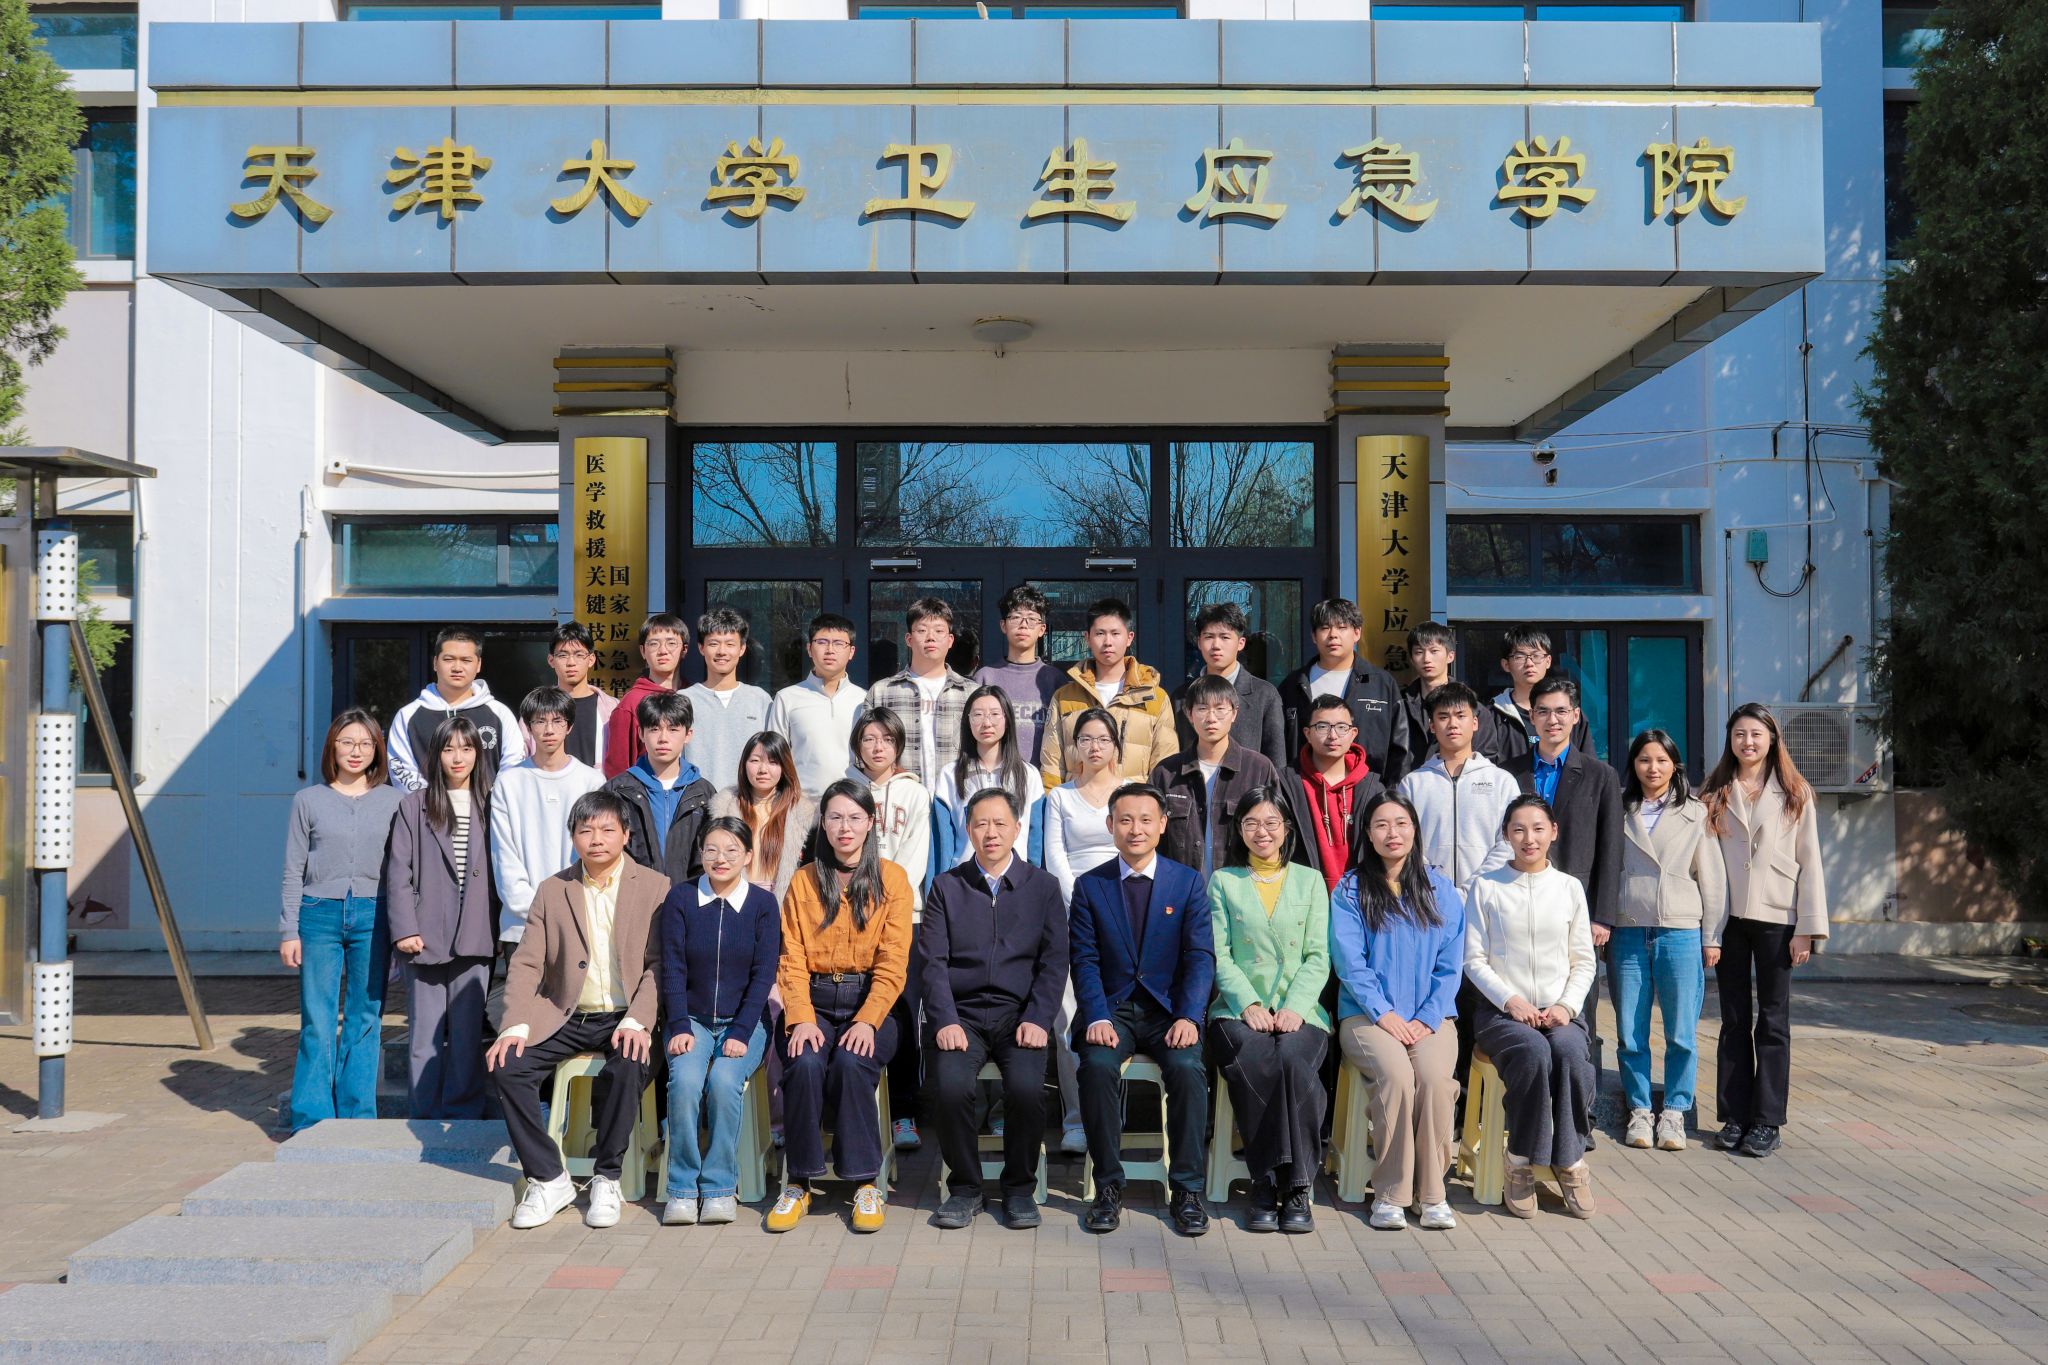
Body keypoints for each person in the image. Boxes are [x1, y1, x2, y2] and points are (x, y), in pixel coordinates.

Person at [487, 790, 667, 1231]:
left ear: (626, 834)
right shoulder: (554, 890)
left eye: (607, 829)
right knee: (508, 1065)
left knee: (629, 1064)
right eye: (586, 830)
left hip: (627, 1015)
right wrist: (515, 1024)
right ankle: (549, 1178)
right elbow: (527, 963)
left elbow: (660, 965)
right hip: (566, 1015)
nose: (596, 839)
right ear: (573, 837)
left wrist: (638, 1020)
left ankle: (607, 1177)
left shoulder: (655, 887)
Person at [767, 780, 916, 1234]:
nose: (844, 827)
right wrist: (800, 1017)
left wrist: (868, 1021)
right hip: (812, 999)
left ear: (870, 822)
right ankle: (800, 1181)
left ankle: (865, 1182)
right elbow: (790, 957)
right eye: (835, 817)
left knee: (853, 1062)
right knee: (805, 1061)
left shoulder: (892, 879)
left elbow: (893, 962)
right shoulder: (804, 880)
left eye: (854, 817)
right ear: (824, 824)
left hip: (871, 1000)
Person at [1069, 783, 1215, 1237]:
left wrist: (1189, 1016)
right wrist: (1095, 1015)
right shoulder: (1090, 886)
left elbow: (1200, 957)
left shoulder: (1186, 882)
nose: (1136, 829)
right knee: (1096, 1067)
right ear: (1110, 825)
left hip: (1168, 1011)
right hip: (1111, 1009)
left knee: (1188, 1070)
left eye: (1146, 820)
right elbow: (1084, 959)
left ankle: (1187, 1190)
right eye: (1126, 820)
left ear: (1162, 825)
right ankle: (1108, 1186)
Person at [921, 788, 1068, 1231]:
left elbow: (1054, 961)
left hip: (1018, 1015)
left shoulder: (1043, 887)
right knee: (950, 1088)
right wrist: (945, 1020)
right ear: (968, 830)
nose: (991, 833)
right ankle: (966, 1188)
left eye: (1000, 823)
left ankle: (1019, 1188)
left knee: (1026, 1089)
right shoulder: (947, 887)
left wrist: (1038, 1018)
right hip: (962, 1015)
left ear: (1017, 829)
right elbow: (933, 963)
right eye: (981, 824)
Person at [1329, 792, 1465, 1232]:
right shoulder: (1351, 889)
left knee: (1435, 1081)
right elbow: (1350, 962)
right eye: (1382, 825)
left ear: (1415, 830)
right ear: (1368, 834)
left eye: (1402, 823)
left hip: (1431, 1018)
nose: (1393, 833)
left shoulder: (1440, 889)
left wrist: (1427, 1017)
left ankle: (1432, 1193)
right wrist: (1383, 1013)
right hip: (1367, 1018)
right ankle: (1390, 1194)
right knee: (1397, 1077)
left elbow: (1451, 964)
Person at [1699, 703, 1828, 1160]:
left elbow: (1810, 861)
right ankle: (1735, 1116)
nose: (1747, 742)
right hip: (1730, 919)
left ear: (1772, 738)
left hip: (1778, 919)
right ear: (1730, 740)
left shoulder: (1794, 792)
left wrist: (1807, 929)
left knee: (1773, 1021)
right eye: (1739, 734)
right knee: (1733, 1019)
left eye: (1756, 733)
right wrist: (1708, 930)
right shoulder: (1714, 792)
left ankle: (1767, 1120)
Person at [1464, 795, 1599, 1219]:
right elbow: (1473, 959)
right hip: (1502, 1012)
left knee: (1570, 1052)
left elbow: (1584, 960)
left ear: (1553, 832)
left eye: (1538, 828)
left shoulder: (1569, 888)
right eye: (1518, 829)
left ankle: (1570, 1159)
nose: (1529, 838)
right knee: (1534, 1051)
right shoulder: (1487, 887)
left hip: (1559, 1011)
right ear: (1506, 834)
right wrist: (1511, 1000)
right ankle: (1520, 1160)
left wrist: (1567, 1006)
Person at [1206, 787, 1330, 1234]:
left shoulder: (1309, 880)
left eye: (1271, 822)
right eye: (1252, 823)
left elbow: (1318, 955)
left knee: (1293, 1060)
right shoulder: (1224, 881)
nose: (1262, 831)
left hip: (1301, 1010)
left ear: (1287, 829)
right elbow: (1219, 954)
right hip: (1237, 1009)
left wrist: (1296, 1006)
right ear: (1239, 830)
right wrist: (1249, 1003)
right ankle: (1267, 1179)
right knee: (1258, 1057)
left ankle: (1293, 1183)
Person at [279, 708, 405, 1132]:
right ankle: (312, 1119)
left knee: (365, 1017)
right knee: (317, 1019)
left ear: (377, 750)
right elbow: (293, 869)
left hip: (374, 914)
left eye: (365, 743)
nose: (356, 751)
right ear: (332, 747)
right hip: (318, 915)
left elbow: (403, 869)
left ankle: (357, 1117)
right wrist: (289, 929)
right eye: (347, 742)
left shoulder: (394, 801)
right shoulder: (308, 800)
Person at [657, 816, 780, 1226]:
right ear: (701, 854)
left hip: (744, 1022)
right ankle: (681, 1188)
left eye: (731, 850)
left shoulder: (762, 905)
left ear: (748, 856)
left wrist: (742, 1031)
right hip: (690, 1019)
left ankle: (719, 1187)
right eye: (711, 849)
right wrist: (677, 1025)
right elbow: (672, 968)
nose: (720, 858)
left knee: (725, 1082)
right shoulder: (681, 899)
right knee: (685, 1082)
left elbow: (764, 974)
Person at [1398, 682, 1517, 1093]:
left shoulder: (1501, 781)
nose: (1452, 724)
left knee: (1478, 1003)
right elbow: (1406, 842)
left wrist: (1468, 889)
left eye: (1461, 716)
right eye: (1443, 717)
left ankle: (1476, 1106)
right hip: (1429, 910)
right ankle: (1442, 1099)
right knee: (1437, 1002)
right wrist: (1438, 891)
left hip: (1485, 910)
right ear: (1431, 726)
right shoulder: (1414, 784)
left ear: (1475, 723)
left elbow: (1508, 840)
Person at [1613, 729, 1724, 1154]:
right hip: (1628, 928)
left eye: (1661, 760)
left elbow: (1711, 877)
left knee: (1681, 1031)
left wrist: (1711, 936)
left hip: (1680, 929)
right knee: (1630, 1031)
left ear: (1675, 765)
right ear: (1633, 764)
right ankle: (1640, 1109)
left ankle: (1675, 1111)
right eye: (1644, 759)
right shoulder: (1618, 808)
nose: (1652, 768)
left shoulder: (1695, 812)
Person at [385, 714, 495, 1120]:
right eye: (449, 749)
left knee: (467, 1034)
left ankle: (463, 1112)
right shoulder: (414, 806)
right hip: (425, 934)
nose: (458, 757)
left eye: (466, 748)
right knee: (424, 1035)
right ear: (436, 755)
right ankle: (424, 1113)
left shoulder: (492, 803)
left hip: (476, 932)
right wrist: (405, 929)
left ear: (478, 753)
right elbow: (398, 872)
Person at [850, 707, 935, 1153]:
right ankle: (857, 1107)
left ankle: (904, 1113)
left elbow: (914, 859)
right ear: (857, 746)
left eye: (886, 739)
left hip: (905, 917)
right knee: (855, 1005)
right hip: (852, 916)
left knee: (901, 1012)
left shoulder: (915, 794)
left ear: (898, 745)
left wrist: (886, 901)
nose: (877, 747)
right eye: (869, 739)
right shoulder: (846, 791)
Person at [1039, 707, 1124, 1155]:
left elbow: (1138, 850)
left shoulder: (1129, 793)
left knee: (1118, 1014)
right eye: (1085, 739)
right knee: (1068, 1017)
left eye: (1103, 739)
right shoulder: (1060, 797)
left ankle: (1111, 1116)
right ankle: (1075, 1119)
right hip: (1072, 912)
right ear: (1074, 747)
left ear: (1115, 746)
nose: (1094, 747)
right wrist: (1085, 904)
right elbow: (1055, 856)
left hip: (1125, 912)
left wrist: (1112, 907)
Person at [491, 688, 607, 949]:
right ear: (528, 727)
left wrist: (571, 906)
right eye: (540, 721)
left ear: (569, 726)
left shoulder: (592, 782)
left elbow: (598, 853)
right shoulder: (508, 782)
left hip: (580, 921)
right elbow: (503, 856)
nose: (549, 730)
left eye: (557, 721)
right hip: (521, 927)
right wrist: (535, 907)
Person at [1151, 674, 1282, 878]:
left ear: (1234, 713)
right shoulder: (1166, 772)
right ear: (1189, 714)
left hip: (1242, 884)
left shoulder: (1258, 768)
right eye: (1202, 709)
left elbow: (1276, 831)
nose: (1211, 718)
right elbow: (1153, 838)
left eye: (1220, 709)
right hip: (1181, 887)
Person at [1040, 599, 1178, 788]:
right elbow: (1052, 765)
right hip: (1078, 800)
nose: (1107, 642)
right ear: (1087, 638)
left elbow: (1165, 765)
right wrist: (1053, 801)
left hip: (1133, 802)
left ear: (1129, 637)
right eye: (1100, 633)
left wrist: (1152, 803)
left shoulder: (1155, 697)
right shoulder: (1065, 697)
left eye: (1115, 633)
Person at [1278, 598, 1411, 783]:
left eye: (1341, 627)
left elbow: (1400, 748)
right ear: (1314, 636)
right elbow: (1279, 745)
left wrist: (1389, 794)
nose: (1333, 635)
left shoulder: (1381, 683)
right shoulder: (1294, 684)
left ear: (1357, 633)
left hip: (1369, 790)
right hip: (1305, 789)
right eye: (1325, 628)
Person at [389, 627, 525, 791]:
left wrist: (491, 800)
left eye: (466, 660)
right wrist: (428, 802)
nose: (457, 667)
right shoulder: (408, 716)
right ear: (435, 663)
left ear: (478, 665)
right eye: (449, 659)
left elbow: (513, 765)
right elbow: (401, 768)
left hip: (490, 806)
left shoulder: (500, 714)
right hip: (427, 807)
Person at [603, 690, 716, 885]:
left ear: (688, 734)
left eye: (673, 729)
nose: (663, 738)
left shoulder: (704, 793)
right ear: (641, 733)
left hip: (690, 896)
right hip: (633, 894)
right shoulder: (617, 791)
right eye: (654, 729)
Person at [863, 597, 976, 791]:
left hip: (956, 797)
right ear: (908, 639)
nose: (930, 637)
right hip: (900, 797)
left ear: (950, 640)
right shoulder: (882, 692)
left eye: (939, 631)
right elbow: (863, 751)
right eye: (922, 630)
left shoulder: (970, 693)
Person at [935, 685, 1046, 871]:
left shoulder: (1028, 774)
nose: (986, 723)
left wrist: (1033, 880)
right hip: (965, 879)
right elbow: (943, 842)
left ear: (1007, 719)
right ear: (967, 721)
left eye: (994, 714)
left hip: (1015, 879)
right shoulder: (950, 774)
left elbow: (1036, 841)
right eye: (978, 715)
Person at [1175, 601, 1287, 772]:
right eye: (1208, 637)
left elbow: (1276, 763)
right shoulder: (1181, 697)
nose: (1216, 646)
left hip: (1249, 787)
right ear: (1199, 642)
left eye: (1225, 637)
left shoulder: (1265, 695)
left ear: (1241, 643)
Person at [1291, 693, 1387, 891]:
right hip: (1304, 895)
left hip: (1362, 895)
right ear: (1307, 733)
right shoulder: (1288, 783)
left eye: (1342, 727)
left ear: (1353, 733)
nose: (1333, 736)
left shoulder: (1372, 787)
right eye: (1322, 727)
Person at [766, 613, 867, 798]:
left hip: (853, 802)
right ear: (809, 649)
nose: (830, 650)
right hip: (801, 803)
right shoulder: (787, 698)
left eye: (839, 643)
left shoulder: (864, 700)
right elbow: (775, 756)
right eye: (822, 642)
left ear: (851, 651)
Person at [711, 731, 819, 903]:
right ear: (744, 764)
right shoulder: (723, 809)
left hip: (785, 904)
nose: (763, 770)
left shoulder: (804, 815)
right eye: (755, 761)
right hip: (734, 902)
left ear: (784, 767)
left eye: (773, 762)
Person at [683, 607, 773, 797]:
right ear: (701, 648)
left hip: (749, 803)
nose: (722, 651)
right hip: (697, 803)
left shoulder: (760, 700)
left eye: (730, 644)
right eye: (713, 643)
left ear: (742, 649)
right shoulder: (684, 700)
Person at [973, 584, 1066, 769]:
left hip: (1041, 779)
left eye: (1031, 619)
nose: (1023, 625)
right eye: (1016, 617)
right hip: (994, 777)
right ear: (1003, 625)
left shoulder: (1055, 680)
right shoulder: (985, 677)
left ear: (1042, 629)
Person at [1482, 627, 1590, 765]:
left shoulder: (1568, 713)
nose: (1529, 663)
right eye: (1520, 657)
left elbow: (1587, 767)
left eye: (1536, 656)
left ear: (1548, 661)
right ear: (1506, 664)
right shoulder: (1491, 716)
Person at [1398, 622, 1501, 767]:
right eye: (1419, 652)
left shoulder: (1473, 709)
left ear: (1450, 656)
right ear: (1411, 659)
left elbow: (1486, 758)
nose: (1426, 659)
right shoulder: (1399, 705)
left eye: (1434, 651)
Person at [602, 612, 691, 778]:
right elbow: (617, 770)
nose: (663, 651)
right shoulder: (631, 704)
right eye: (654, 644)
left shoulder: (694, 696)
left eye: (671, 643)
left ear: (684, 649)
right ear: (643, 651)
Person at [538, 621, 616, 769]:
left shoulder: (612, 709)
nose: (571, 662)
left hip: (598, 783)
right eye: (563, 655)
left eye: (579, 655)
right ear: (551, 660)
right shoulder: (538, 707)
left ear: (591, 659)